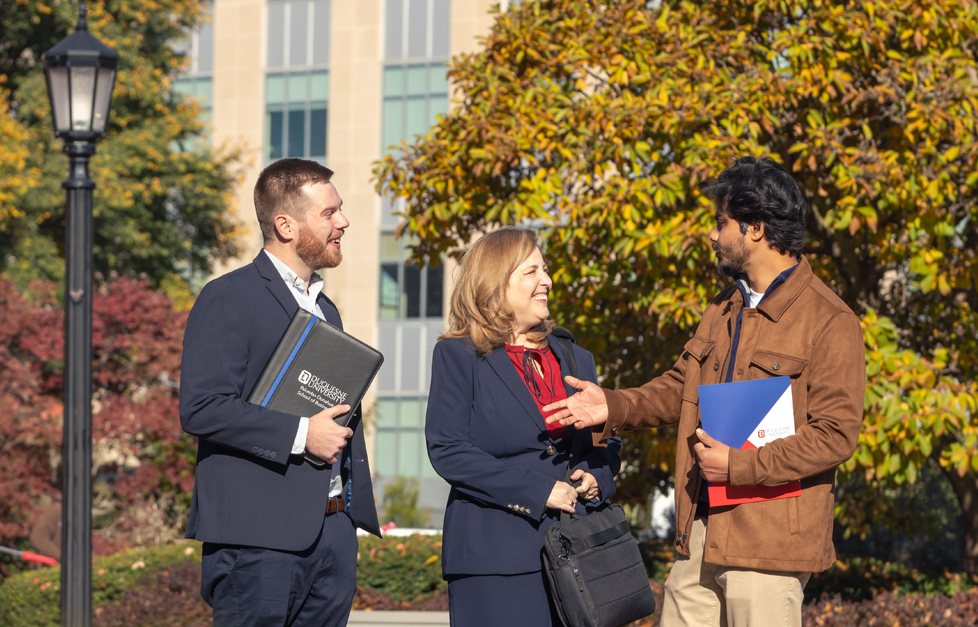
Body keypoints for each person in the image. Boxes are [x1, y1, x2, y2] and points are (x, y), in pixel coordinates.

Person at [543, 157, 866, 627]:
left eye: (721, 223)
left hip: (771, 546)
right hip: (701, 532)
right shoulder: (722, 308)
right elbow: (680, 388)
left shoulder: (831, 321)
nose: (713, 236)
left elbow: (836, 435)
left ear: (755, 228)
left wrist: (740, 465)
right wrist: (611, 405)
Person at [179, 158, 381, 627]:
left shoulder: (326, 308)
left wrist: (346, 525)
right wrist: (300, 434)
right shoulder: (227, 296)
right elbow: (202, 408)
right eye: (329, 212)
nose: (343, 222)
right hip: (258, 543)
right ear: (285, 224)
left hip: (332, 534)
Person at [425, 227, 621, 626]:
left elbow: (607, 439)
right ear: (495, 282)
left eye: (545, 270)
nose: (547, 281)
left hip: (577, 554)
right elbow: (448, 450)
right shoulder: (458, 354)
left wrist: (598, 474)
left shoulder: (575, 356)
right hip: (493, 560)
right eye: (532, 271)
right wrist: (538, 491)